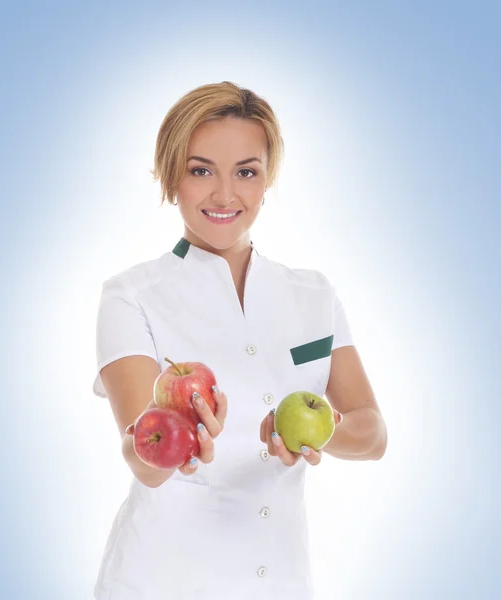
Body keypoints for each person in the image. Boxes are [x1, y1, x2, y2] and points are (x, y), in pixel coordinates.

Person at [92, 81, 387, 600]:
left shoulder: (314, 294)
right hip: (161, 581)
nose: (225, 195)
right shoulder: (130, 296)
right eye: (200, 170)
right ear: (170, 176)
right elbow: (141, 451)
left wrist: (310, 435)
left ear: (267, 178)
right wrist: (179, 446)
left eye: (246, 172)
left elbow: (371, 433)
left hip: (282, 581)